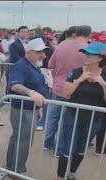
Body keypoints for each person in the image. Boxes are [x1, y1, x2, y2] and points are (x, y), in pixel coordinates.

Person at [57, 41, 106, 180]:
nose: (86, 56)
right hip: (73, 116)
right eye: (85, 53)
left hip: (94, 119)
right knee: (68, 148)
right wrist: (79, 80)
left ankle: (72, 172)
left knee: (81, 148)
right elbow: (66, 93)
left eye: (90, 54)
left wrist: (103, 84)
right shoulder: (76, 71)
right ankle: (60, 176)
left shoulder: (105, 75)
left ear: (100, 58)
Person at [44, 25, 91, 153]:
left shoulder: (62, 44)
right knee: (66, 121)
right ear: (89, 35)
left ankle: (47, 143)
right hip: (74, 89)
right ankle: (59, 150)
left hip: (58, 86)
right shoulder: (88, 50)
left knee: (53, 116)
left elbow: (50, 65)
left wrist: (57, 76)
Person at [5, 38, 48, 175]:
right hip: (23, 109)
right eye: (39, 52)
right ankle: (17, 170)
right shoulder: (21, 65)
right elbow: (15, 85)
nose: (42, 55)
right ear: (29, 52)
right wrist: (31, 93)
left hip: (30, 109)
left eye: (42, 52)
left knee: (19, 138)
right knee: (23, 140)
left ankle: (12, 167)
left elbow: (39, 86)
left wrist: (39, 107)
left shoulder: (33, 65)